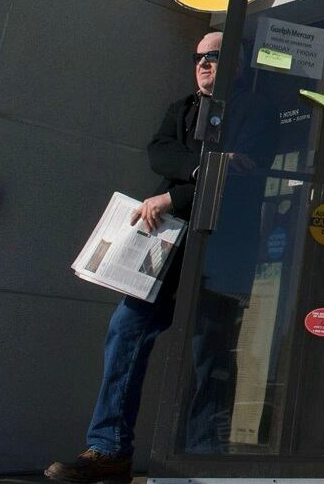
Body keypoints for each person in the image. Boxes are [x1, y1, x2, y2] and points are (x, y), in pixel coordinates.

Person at [46, 31, 224, 483]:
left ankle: (201, 459)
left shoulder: (249, 110)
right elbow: (159, 152)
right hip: (168, 249)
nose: (203, 64)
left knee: (209, 352)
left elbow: (239, 173)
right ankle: (109, 450)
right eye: (198, 57)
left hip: (219, 250)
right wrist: (198, 169)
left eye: (214, 56)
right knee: (126, 331)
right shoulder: (182, 108)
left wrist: (172, 196)